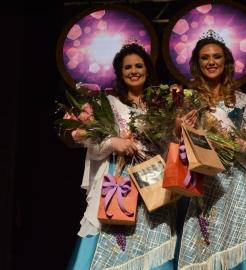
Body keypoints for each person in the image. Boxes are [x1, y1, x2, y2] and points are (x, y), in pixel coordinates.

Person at [68, 42, 177, 270]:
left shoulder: (159, 106)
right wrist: (113, 142)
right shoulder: (108, 103)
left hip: (150, 180)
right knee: (113, 242)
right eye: (128, 67)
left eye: (139, 66)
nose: (134, 71)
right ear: (120, 72)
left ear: (147, 70)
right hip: (119, 177)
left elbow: (168, 148)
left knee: (152, 243)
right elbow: (91, 142)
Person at [175, 30, 246, 270]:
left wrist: (245, 144)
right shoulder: (187, 99)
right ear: (197, 63)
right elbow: (174, 145)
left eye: (217, 57)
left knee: (237, 240)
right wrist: (180, 129)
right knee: (205, 241)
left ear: (226, 62)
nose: (211, 62)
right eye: (205, 58)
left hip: (235, 180)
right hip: (202, 180)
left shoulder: (242, 100)